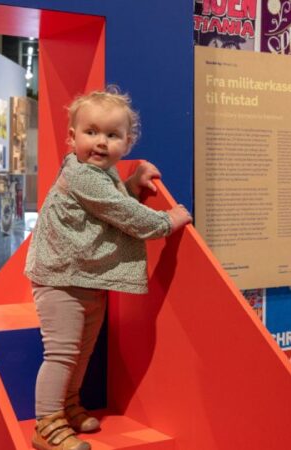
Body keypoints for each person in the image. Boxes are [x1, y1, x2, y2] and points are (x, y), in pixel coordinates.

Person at [24, 86, 191, 450]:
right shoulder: (83, 174)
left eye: (112, 135)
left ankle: (68, 406)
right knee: (62, 354)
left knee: (82, 352)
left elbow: (112, 200)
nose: (101, 142)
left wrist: (132, 183)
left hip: (85, 276)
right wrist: (167, 220)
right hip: (59, 279)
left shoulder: (103, 174)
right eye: (91, 132)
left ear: (127, 143)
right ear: (72, 138)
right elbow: (125, 214)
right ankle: (46, 424)